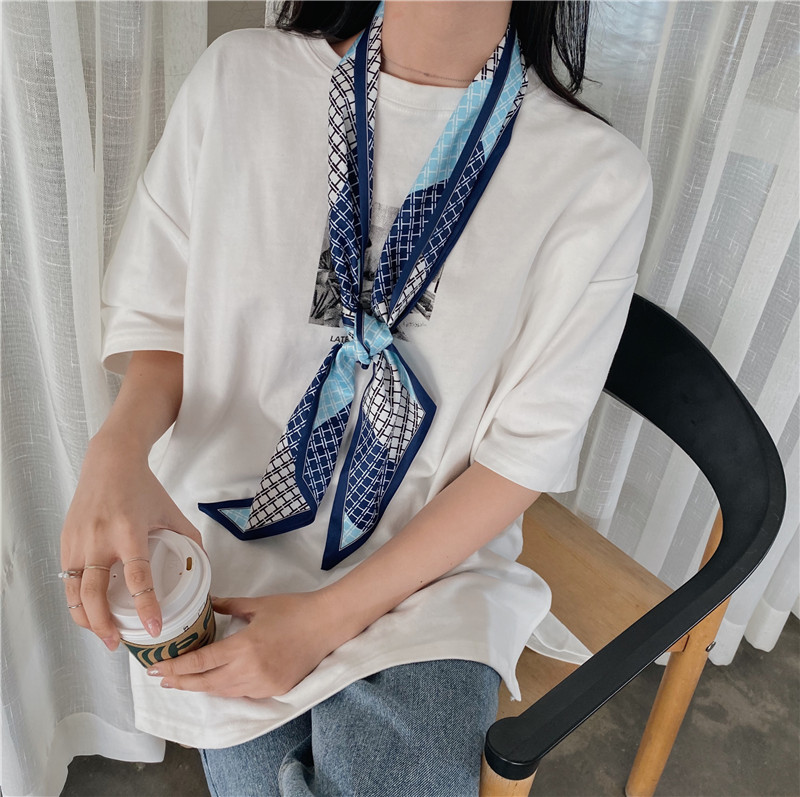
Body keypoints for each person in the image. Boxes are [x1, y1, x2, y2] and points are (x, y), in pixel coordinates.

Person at [59, 1, 653, 794]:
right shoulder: (239, 80)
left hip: (434, 567)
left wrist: (326, 619)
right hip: (234, 532)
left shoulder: (596, 179)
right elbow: (166, 319)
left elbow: (521, 456)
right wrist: (116, 449)